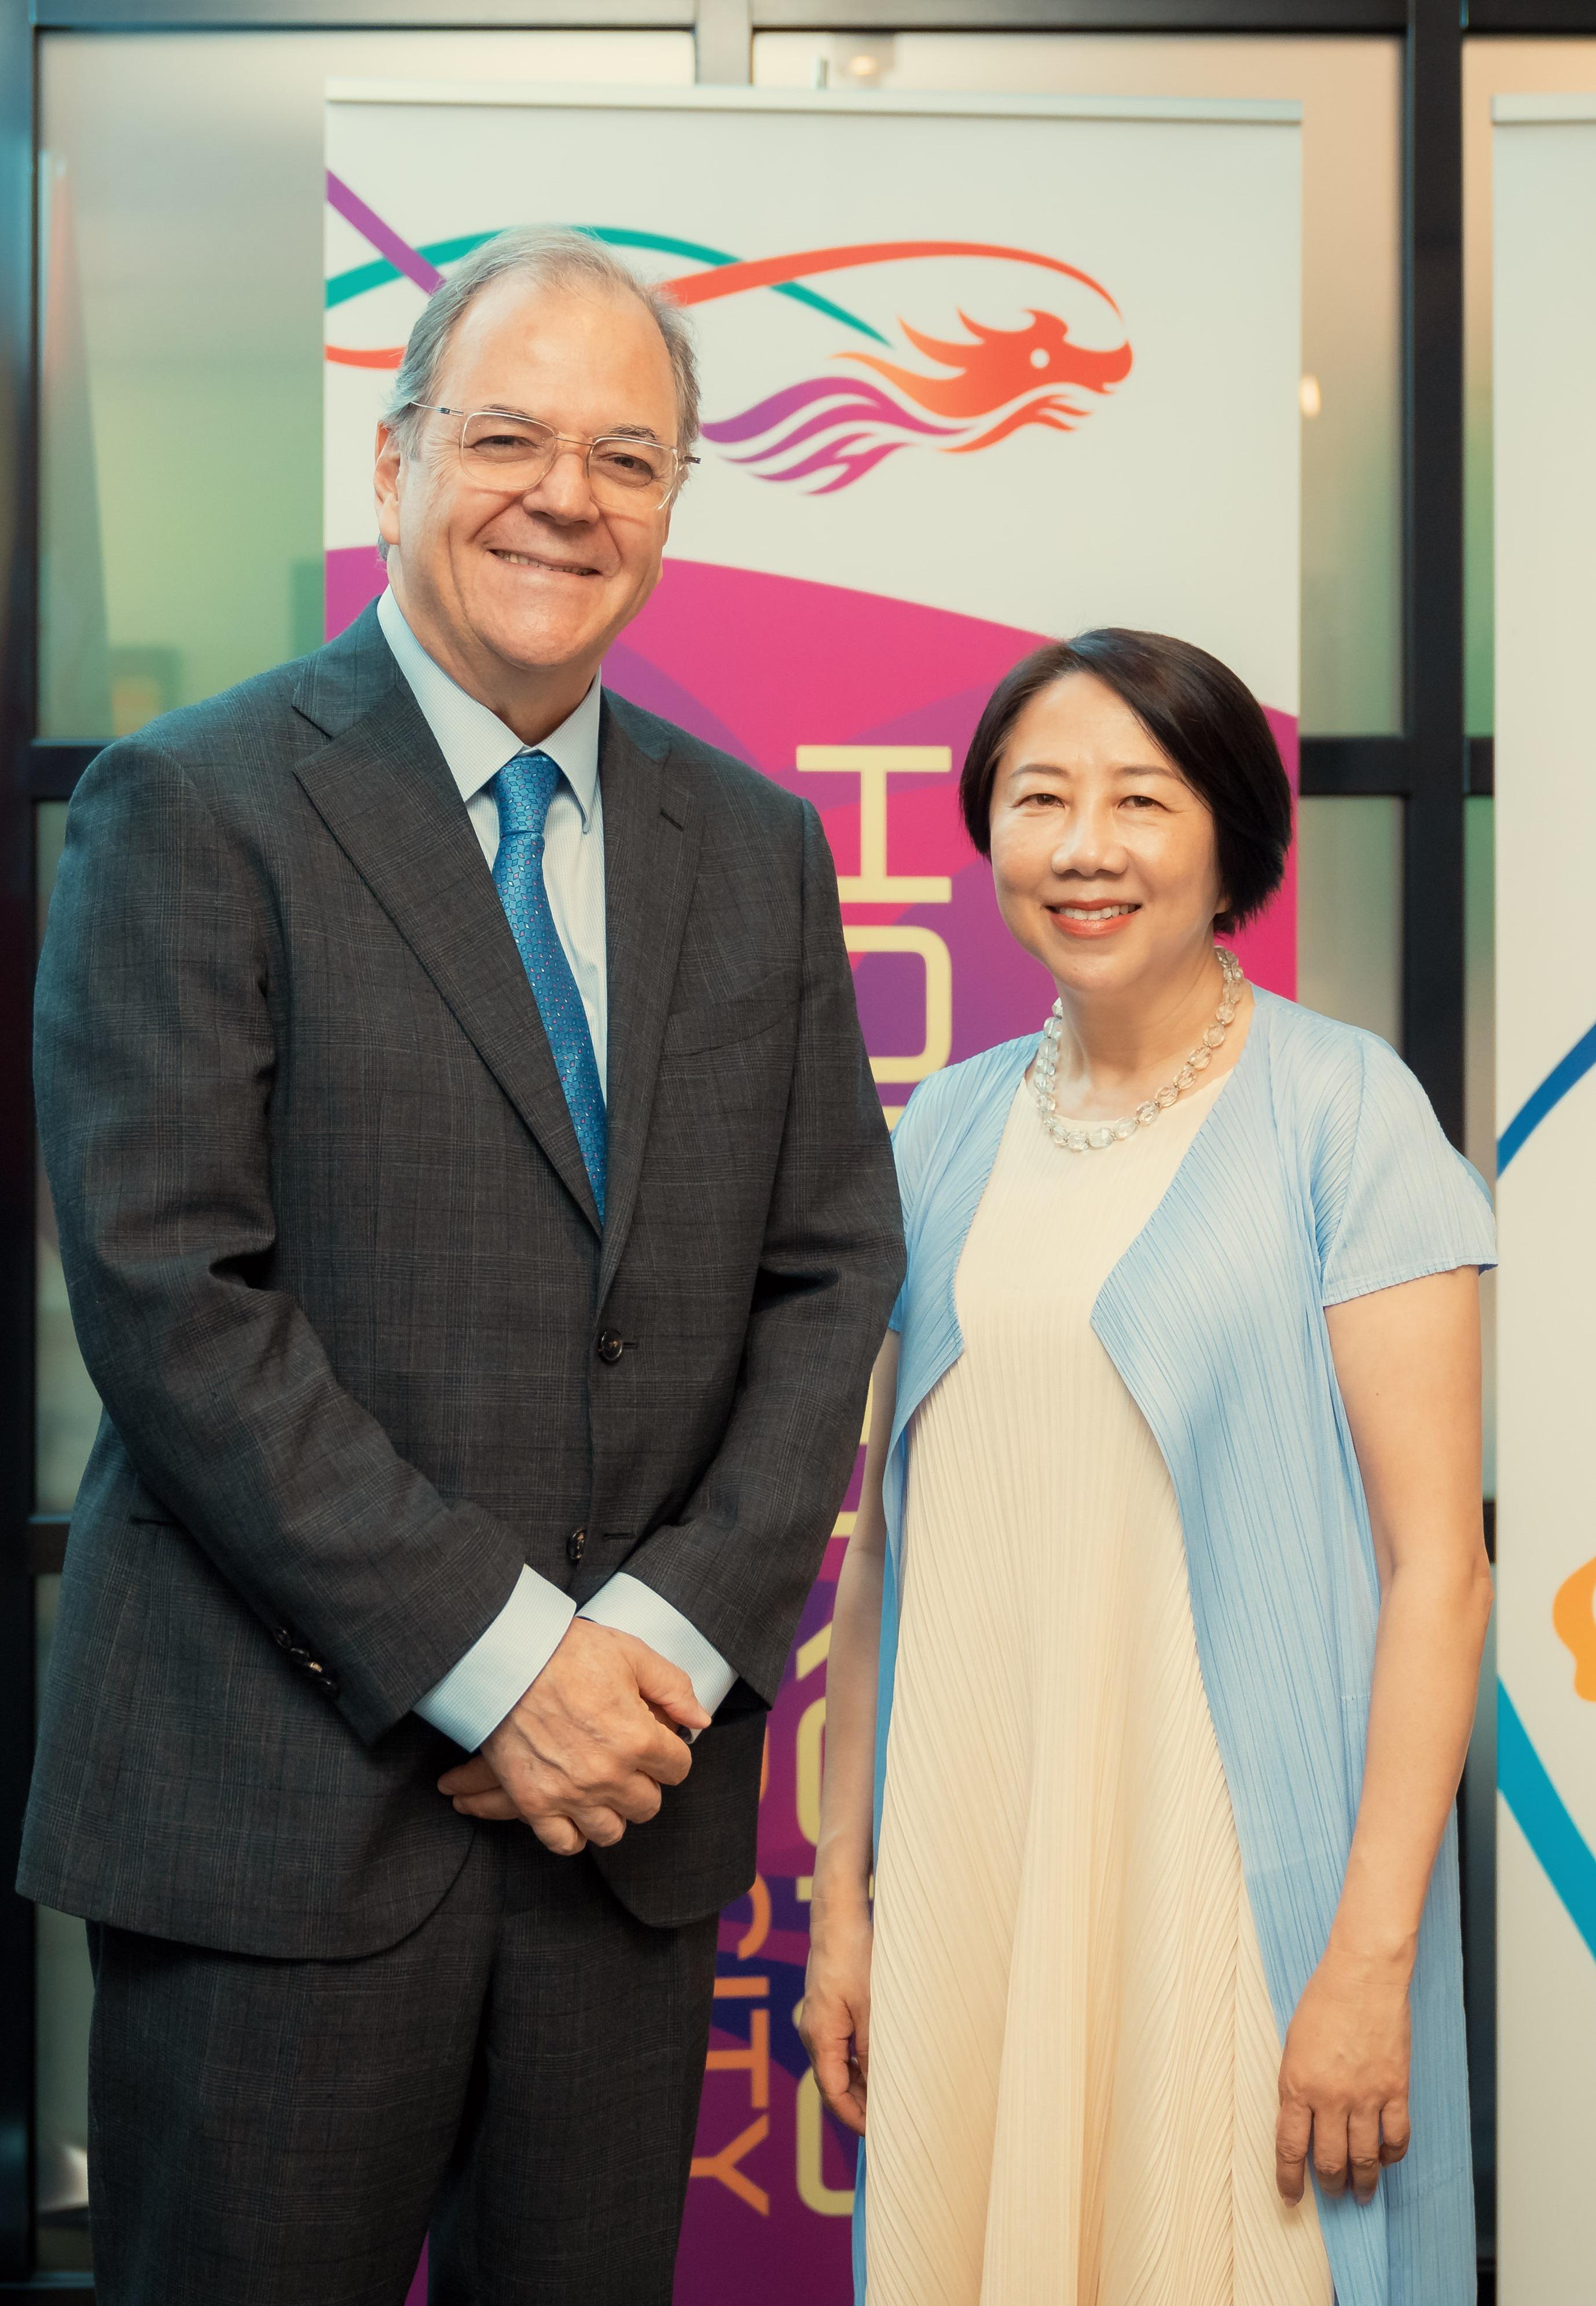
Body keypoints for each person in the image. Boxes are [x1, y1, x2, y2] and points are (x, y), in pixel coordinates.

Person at [23, 226, 903, 2306]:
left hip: (628, 1823)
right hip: (279, 1811)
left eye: (625, 455)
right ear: (398, 456)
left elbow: (830, 1265)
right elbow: (172, 1291)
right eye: (507, 436)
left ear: (677, 504)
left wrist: (667, 1653)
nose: (564, 497)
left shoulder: (752, 845)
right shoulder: (194, 801)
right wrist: (505, 1661)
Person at [801, 630, 1494, 2306]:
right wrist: (846, 1909)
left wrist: (1366, 1965)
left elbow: (1437, 1573)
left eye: (1140, 799)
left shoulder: (1343, 1114)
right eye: (1039, 799)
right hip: (981, 1871)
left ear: (1229, 838)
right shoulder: (942, 1126)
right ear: (988, 837)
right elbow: (884, 1545)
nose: (1084, 847)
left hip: (1235, 1899)